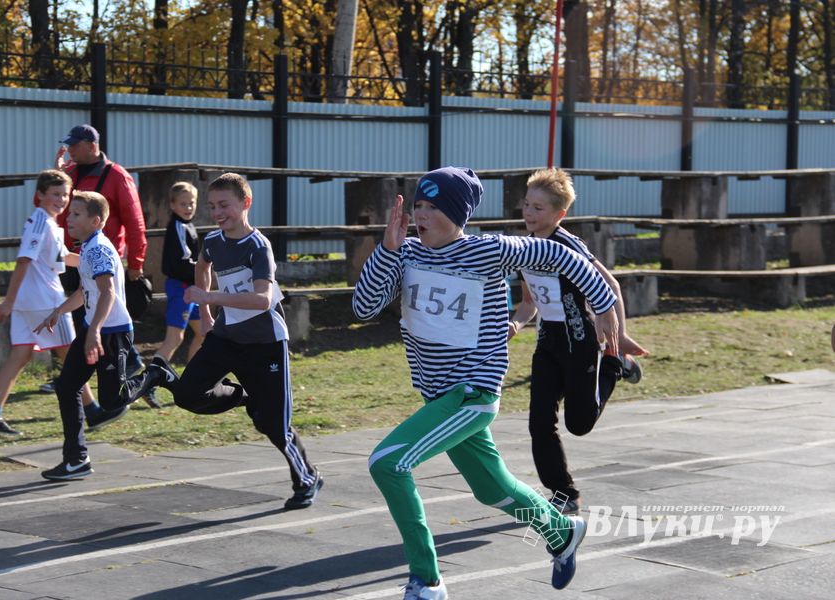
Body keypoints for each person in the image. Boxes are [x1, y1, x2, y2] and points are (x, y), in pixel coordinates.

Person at [352, 167, 620, 599]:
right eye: (418, 205)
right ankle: (562, 533)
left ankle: (427, 581)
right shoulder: (406, 254)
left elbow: (561, 257)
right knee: (491, 490)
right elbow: (363, 306)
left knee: (388, 462)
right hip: (438, 396)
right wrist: (386, 248)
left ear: (457, 213)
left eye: (433, 206)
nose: (421, 214)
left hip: (473, 394)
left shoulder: (487, 251)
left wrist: (604, 302)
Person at [127, 173, 323, 510]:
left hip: (265, 344)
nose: (217, 213)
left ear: (245, 203)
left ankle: (306, 477)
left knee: (274, 425)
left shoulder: (258, 247)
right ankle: (178, 378)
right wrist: (205, 312)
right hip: (227, 337)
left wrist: (209, 295)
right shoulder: (214, 241)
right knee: (188, 395)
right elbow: (202, 267)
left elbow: (262, 299)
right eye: (212, 206)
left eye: (225, 205)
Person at [508, 167, 650, 516]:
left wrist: (619, 338)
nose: (528, 212)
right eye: (527, 204)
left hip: (581, 340)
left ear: (559, 214)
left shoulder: (569, 247)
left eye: (538, 208)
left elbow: (611, 288)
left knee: (579, 424)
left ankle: (616, 368)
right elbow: (528, 303)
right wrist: (513, 323)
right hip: (548, 343)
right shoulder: (522, 248)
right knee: (540, 422)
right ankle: (563, 492)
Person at [0, 171, 121, 437]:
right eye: (55, 194)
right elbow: (23, 261)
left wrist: (98, 261)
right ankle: (93, 411)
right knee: (72, 352)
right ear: (40, 195)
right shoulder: (41, 223)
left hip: (29, 301)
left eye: (65, 194)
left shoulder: (49, 223)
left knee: (20, 355)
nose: (62, 199)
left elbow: (62, 256)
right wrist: (7, 301)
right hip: (43, 300)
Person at [46, 124, 159, 407]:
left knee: (101, 315)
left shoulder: (116, 175)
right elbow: (51, 207)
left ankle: (128, 370)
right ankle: (101, 372)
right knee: (85, 315)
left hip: (102, 258)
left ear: (92, 145)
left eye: (75, 145)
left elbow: (135, 221)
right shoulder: (70, 174)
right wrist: (58, 174)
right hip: (75, 257)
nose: (70, 149)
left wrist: (136, 262)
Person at [35, 191, 133, 480]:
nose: (69, 218)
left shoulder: (98, 249)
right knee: (67, 387)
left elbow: (107, 292)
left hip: (111, 333)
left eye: (76, 214)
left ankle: (156, 375)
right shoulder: (89, 248)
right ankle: (76, 459)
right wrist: (58, 311)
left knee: (114, 401)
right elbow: (84, 292)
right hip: (94, 330)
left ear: (96, 220)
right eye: (70, 213)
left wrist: (96, 332)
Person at [155, 181, 204, 364]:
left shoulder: (187, 225)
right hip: (181, 288)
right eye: (183, 204)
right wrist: (203, 270)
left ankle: (192, 378)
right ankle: (147, 383)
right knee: (175, 338)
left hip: (190, 287)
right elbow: (184, 262)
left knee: (204, 332)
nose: (188, 207)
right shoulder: (179, 227)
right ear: (172, 205)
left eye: (192, 203)